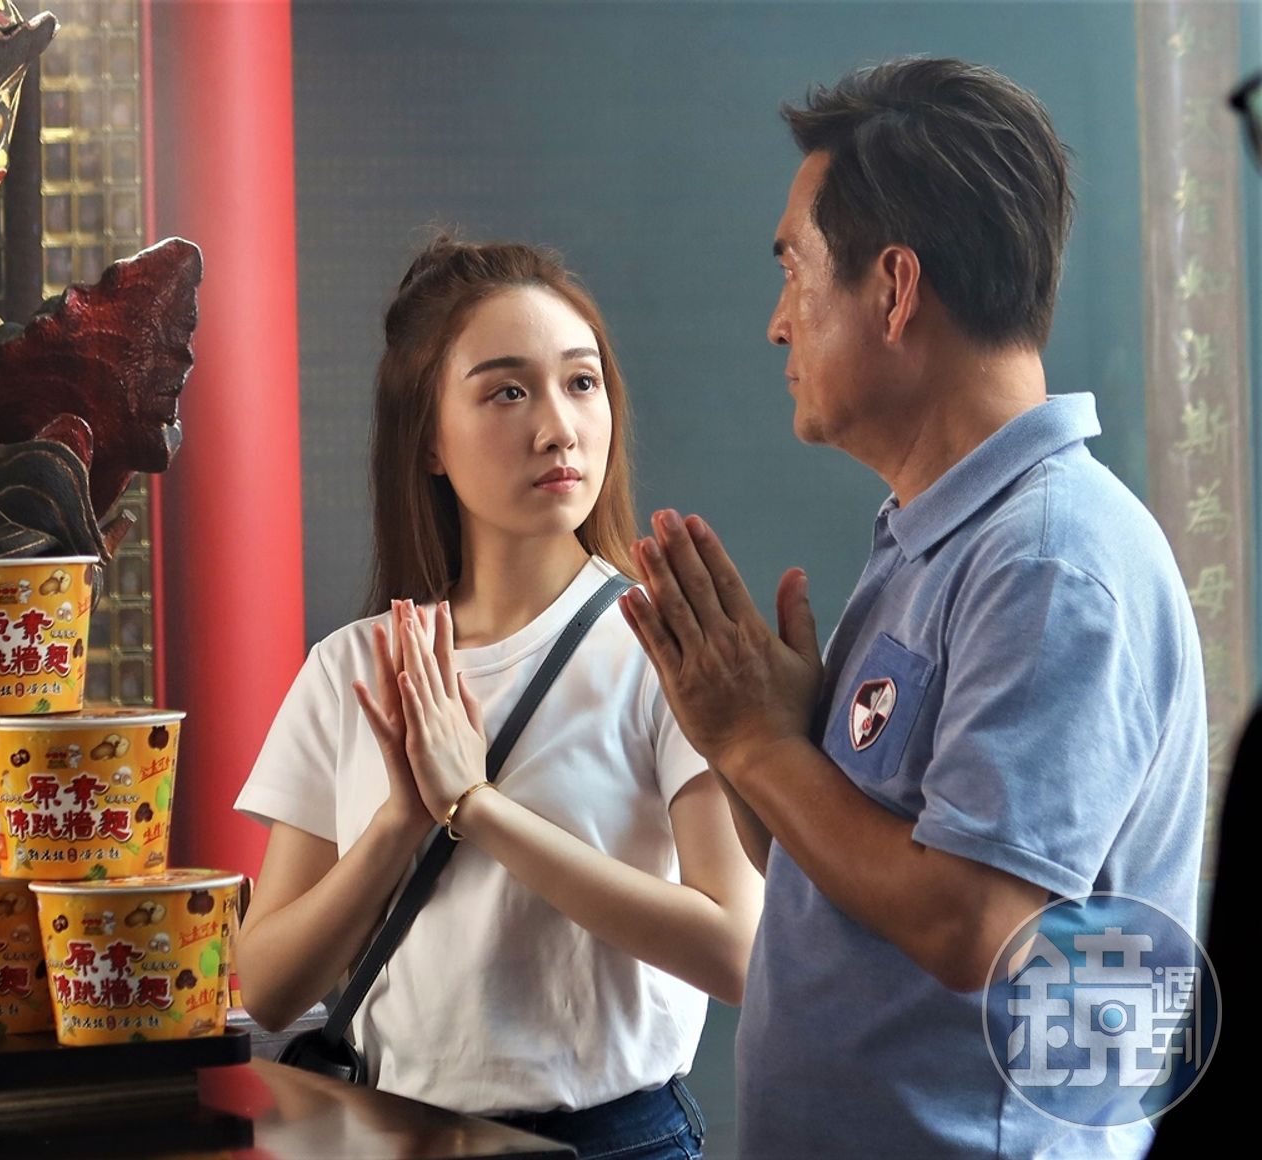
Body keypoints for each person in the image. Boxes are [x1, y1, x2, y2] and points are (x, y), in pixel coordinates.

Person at [620, 58, 1207, 1158]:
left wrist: (756, 744)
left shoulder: (1050, 561)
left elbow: (977, 923)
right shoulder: (936, 536)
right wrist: (769, 750)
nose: (777, 325)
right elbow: (833, 880)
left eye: (794, 271)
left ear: (893, 288)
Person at [234, 237, 761, 1158]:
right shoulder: (350, 669)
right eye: (508, 392)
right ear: (428, 441)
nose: (559, 428)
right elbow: (267, 989)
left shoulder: (664, 650)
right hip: (395, 1134)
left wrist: (477, 809)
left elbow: (738, 952)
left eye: (582, 383)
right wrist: (400, 823)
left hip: (613, 1140)